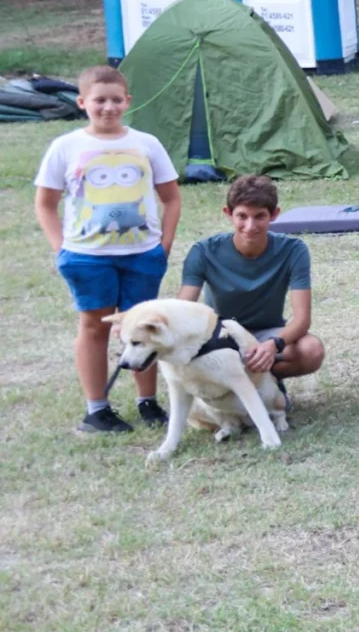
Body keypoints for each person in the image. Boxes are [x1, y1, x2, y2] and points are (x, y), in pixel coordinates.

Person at [34, 65, 181, 434]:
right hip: (87, 257)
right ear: (83, 102)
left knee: (143, 328)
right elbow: (45, 203)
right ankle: (97, 409)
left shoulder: (146, 144)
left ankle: (148, 402)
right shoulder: (66, 147)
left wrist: (162, 246)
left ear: (127, 101)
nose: (108, 107)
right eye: (100, 100)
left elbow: (172, 198)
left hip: (142, 255)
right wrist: (61, 248)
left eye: (116, 100)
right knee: (94, 327)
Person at [178, 174, 326, 388]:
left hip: (268, 333)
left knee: (312, 350)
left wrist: (273, 345)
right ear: (228, 214)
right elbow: (183, 307)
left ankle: (266, 384)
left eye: (259, 216)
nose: (250, 225)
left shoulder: (293, 250)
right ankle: (240, 390)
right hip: (222, 334)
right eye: (242, 216)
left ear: (274, 214)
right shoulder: (203, 251)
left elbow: (302, 320)